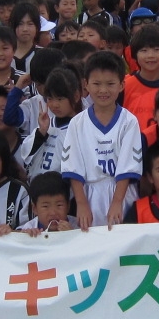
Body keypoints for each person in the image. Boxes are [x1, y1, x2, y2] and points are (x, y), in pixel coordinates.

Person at [62, 50, 142, 229]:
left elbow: (128, 167)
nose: (103, 90)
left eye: (110, 84)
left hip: (121, 192)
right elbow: (73, 167)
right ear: (86, 85)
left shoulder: (129, 121)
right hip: (88, 194)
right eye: (97, 84)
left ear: (122, 85)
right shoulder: (77, 123)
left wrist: (117, 202)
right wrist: (81, 204)